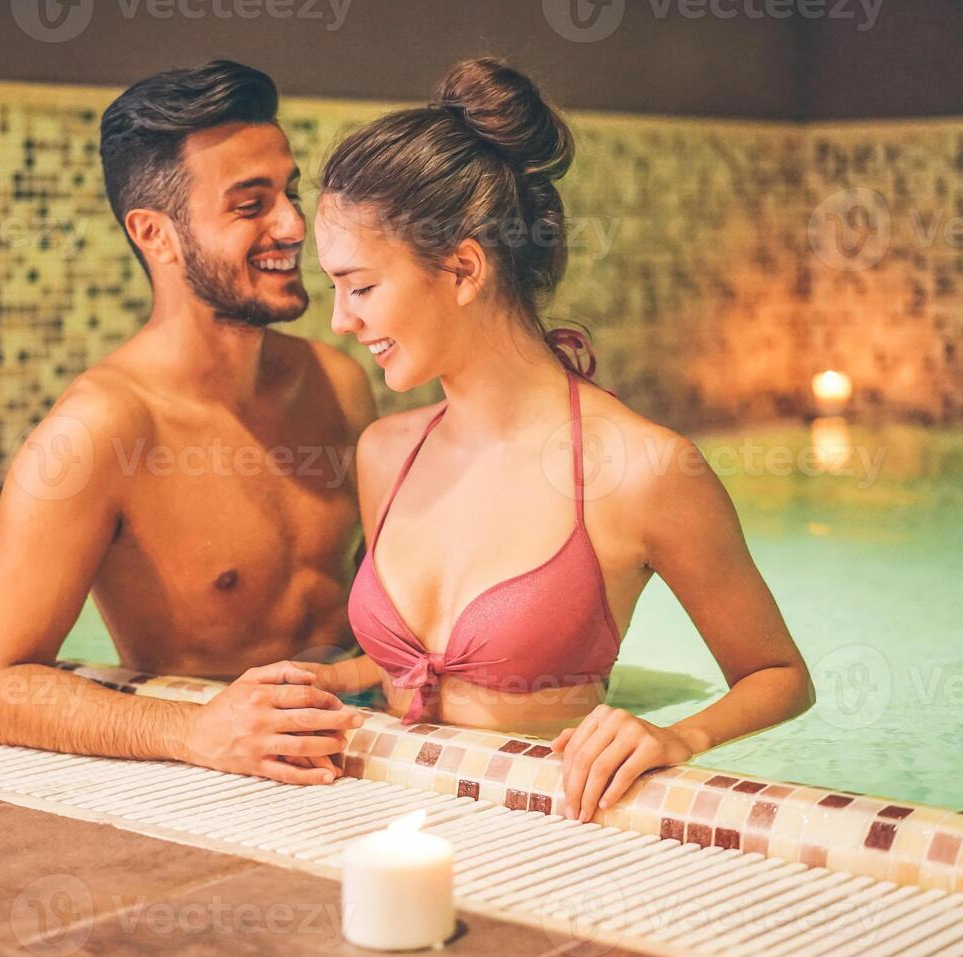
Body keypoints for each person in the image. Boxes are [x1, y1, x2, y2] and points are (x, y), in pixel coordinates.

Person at [304, 58, 815, 821]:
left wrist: (675, 738)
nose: (341, 320)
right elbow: (413, 671)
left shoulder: (639, 469)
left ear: (464, 269)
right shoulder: (386, 452)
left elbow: (779, 675)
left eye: (362, 286)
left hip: (554, 829)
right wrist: (339, 679)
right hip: (396, 815)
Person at [0, 61, 375, 786]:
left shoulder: (336, 384)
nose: (293, 225)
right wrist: (194, 731)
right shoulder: (99, 433)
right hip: (219, 775)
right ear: (155, 235)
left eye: (290, 192)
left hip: (361, 740)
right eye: (251, 205)